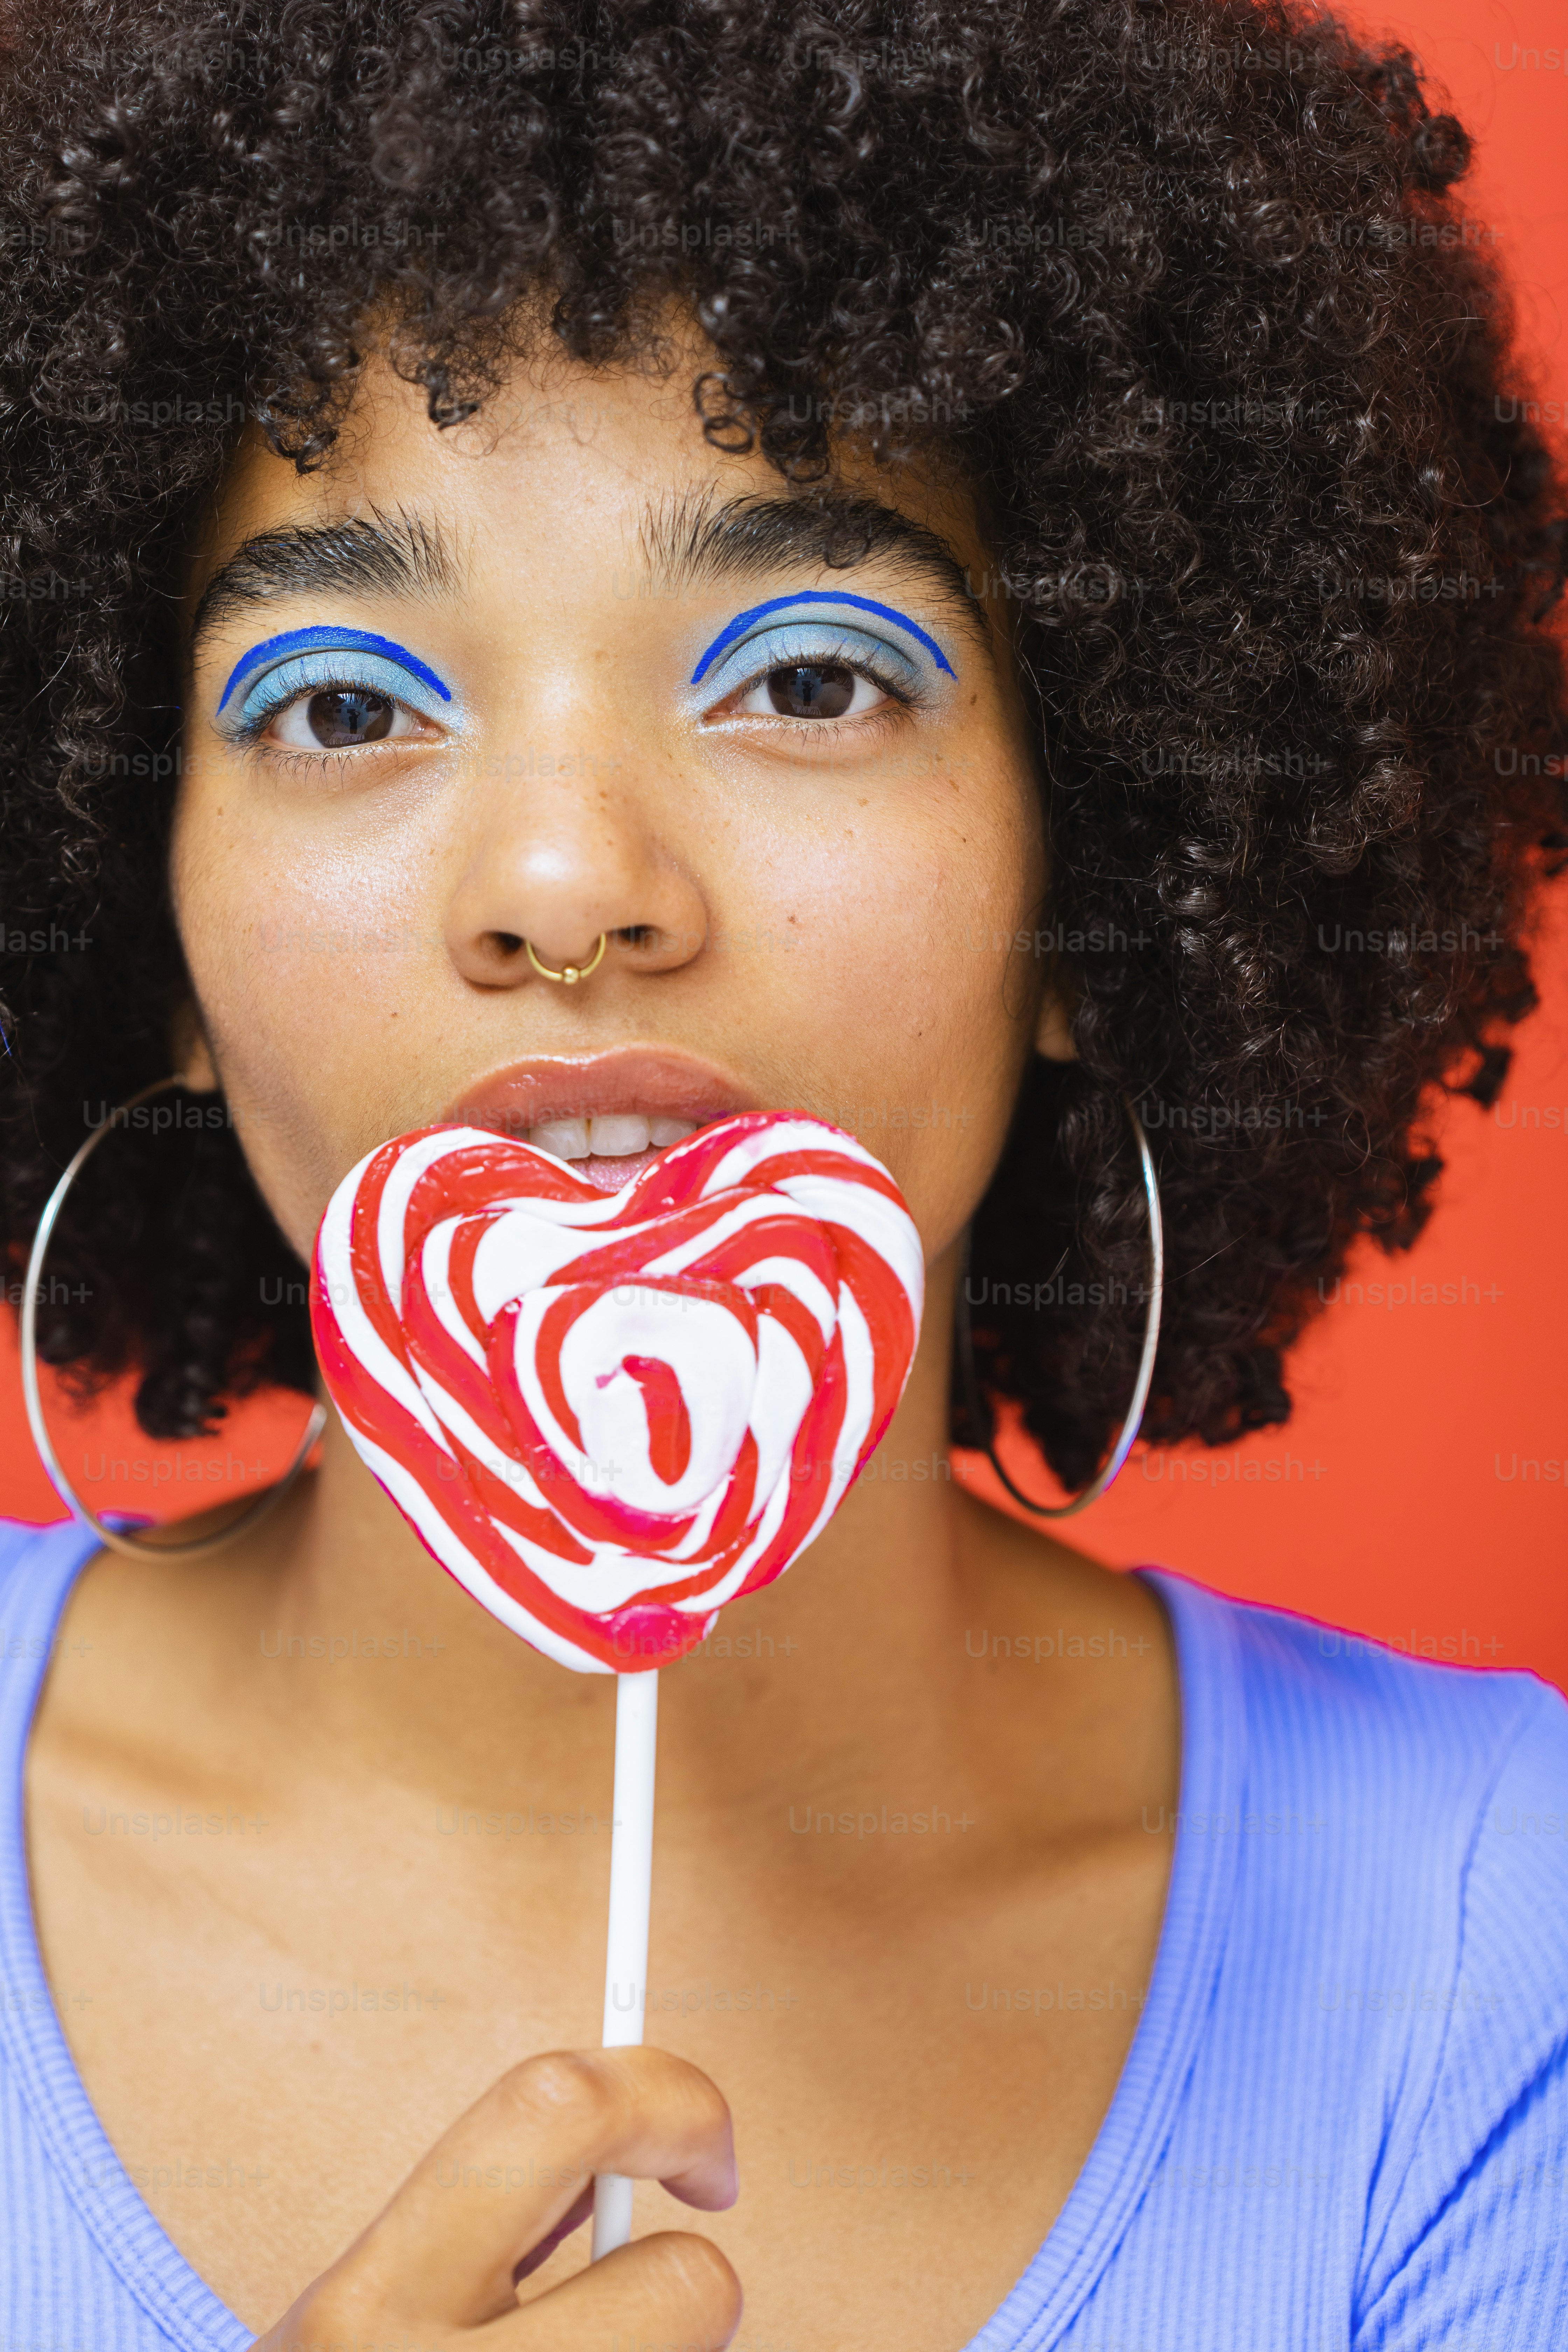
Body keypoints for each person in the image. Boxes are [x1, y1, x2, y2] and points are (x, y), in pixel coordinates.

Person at [1, 2, 1565, 2345]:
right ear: (150, 934)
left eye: (811, 678)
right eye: (343, 705)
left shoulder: (1496, 1954)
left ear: (1102, 870)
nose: (565, 880)